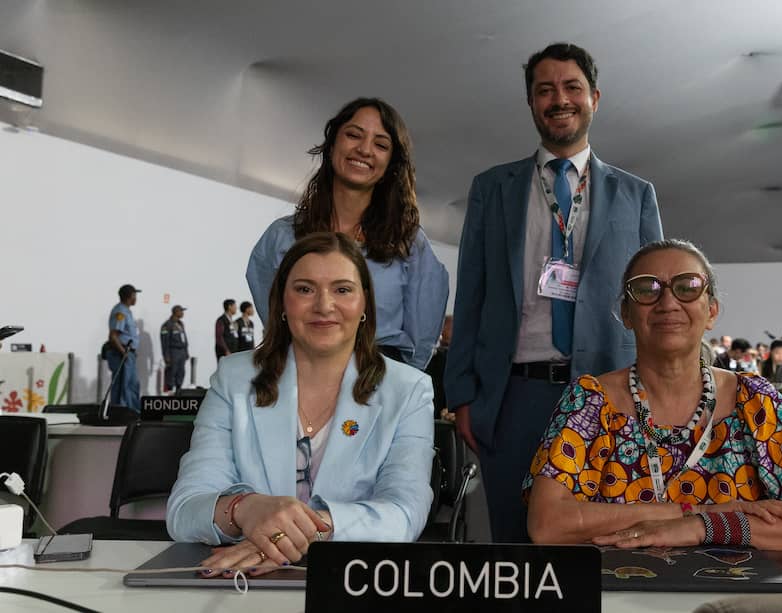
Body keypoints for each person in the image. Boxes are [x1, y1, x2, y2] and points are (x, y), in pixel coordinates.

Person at [444, 43, 663, 542]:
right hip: (513, 396)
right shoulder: (491, 188)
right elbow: (471, 293)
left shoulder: (636, 195)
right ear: (531, 103)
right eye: (545, 90)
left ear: (594, 98)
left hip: (609, 396)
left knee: (605, 546)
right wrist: (463, 397)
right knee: (516, 545)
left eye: (571, 87)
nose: (559, 99)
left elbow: (654, 303)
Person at [524, 239, 782, 551]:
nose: (668, 302)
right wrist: (689, 511)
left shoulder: (755, 401)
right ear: (626, 314)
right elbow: (547, 524)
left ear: (711, 311)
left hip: (733, 598)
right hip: (620, 597)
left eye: (687, 288)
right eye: (646, 289)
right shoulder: (590, 402)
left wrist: (705, 527)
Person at [167, 232, 435, 574]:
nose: (324, 305)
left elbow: (404, 514)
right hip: (240, 584)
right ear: (282, 303)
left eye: (342, 289)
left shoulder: (409, 390)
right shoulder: (234, 379)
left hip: (349, 583)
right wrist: (245, 510)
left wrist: (292, 534)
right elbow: (185, 511)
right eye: (305, 289)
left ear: (365, 302)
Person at [246, 97, 448, 370]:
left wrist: (392, 392)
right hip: (301, 377)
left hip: (381, 381)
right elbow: (276, 323)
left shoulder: (410, 244)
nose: (364, 150)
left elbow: (420, 345)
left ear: (391, 163)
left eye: (380, 144)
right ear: (331, 146)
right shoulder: (281, 237)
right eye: (353, 135)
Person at [104, 284, 141, 411]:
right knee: (123, 386)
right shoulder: (120, 312)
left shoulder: (126, 311)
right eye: (134, 295)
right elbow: (113, 336)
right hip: (120, 353)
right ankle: (121, 413)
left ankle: (133, 412)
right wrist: (123, 352)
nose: (136, 298)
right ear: (129, 296)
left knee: (131, 385)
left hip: (127, 352)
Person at [160, 305, 189, 393]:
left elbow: (184, 338)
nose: (182, 313)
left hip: (182, 352)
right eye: (181, 311)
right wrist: (166, 356)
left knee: (181, 372)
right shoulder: (167, 325)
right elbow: (164, 341)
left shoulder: (180, 324)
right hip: (173, 352)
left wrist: (186, 352)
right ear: (176, 312)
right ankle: (170, 391)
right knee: (172, 372)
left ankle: (178, 390)